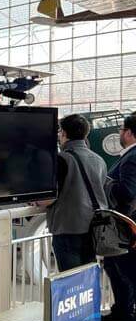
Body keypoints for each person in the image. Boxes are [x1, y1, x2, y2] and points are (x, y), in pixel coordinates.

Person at [44, 114, 108, 272]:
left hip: (68, 229)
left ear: (64, 134)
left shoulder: (62, 159)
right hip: (95, 228)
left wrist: (37, 202)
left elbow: (50, 198)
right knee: (87, 280)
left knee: (71, 281)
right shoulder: (99, 160)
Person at [106, 114, 136, 321]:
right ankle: (122, 311)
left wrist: (106, 183)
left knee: (129, 272)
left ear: (129, 132)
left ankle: (130, 318)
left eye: (121, 129)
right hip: (125, 226)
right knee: (117, 269)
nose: (119, 133)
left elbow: (128, 191)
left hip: (126, 226)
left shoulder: (132, 157)